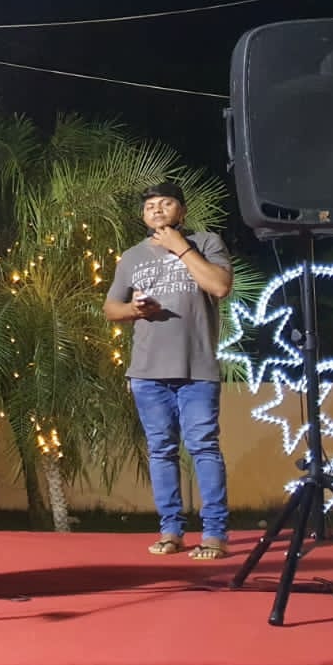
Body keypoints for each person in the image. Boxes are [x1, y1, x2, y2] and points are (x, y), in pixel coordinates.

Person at [103, 181, 234, 560]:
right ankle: (171, 531)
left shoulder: (206, 242)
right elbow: (111, 308)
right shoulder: (132, 256)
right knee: (161, 451)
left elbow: (219, 286)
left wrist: (180, 247)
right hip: (147, 372)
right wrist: (134, 310)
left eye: (166, 203)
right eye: (150, 206)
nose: (157, 210)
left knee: (203, 446)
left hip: (197, 369)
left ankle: (214, 534)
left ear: (182, 211)